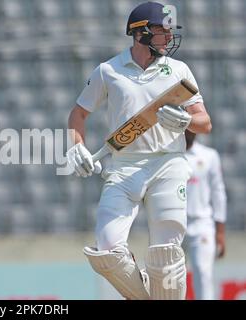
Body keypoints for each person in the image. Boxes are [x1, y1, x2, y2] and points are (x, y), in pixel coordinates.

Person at [66, 2, 212, 300]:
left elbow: (204, 122)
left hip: (168, 164)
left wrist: (186, 120)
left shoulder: (179, 70)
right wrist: (76, 146)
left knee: (166, 256)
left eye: (170, 31)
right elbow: (77, 115)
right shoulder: (109, 70)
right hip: (123, 166)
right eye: (162, 30)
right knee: (106, 251)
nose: (169, 37)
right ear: (140, 33)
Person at [184, 130, 227, 300]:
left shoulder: (209, 156)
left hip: (202, 224)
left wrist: (221, 232)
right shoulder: (167, 155)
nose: (190, 130)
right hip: (172, 224)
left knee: (203, 274)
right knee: (169, 278)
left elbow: (218, 193)